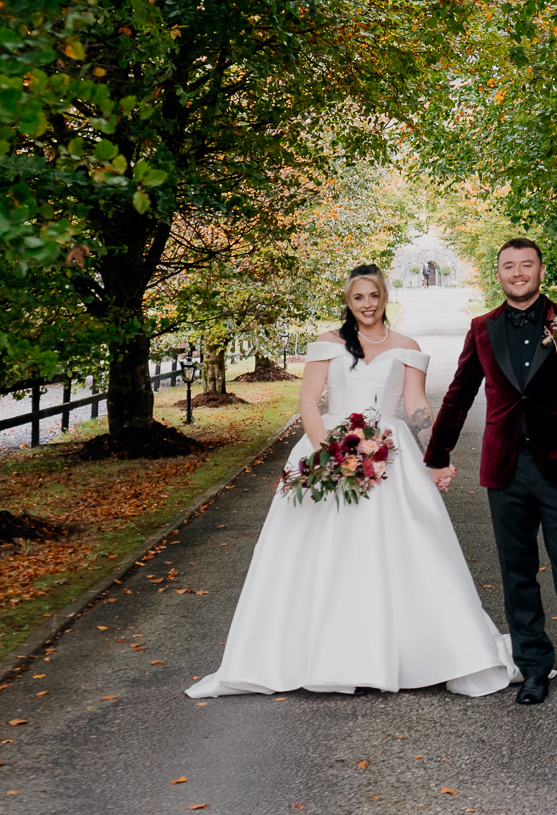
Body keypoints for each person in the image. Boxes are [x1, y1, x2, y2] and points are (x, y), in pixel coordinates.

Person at [187, 263, 516, 698]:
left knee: (405, 548)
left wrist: (436, 456)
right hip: (330, 446)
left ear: (384, 297)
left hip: (391, 454)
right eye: (358, 297)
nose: (367, 304)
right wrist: (331, 452)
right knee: (320, 550)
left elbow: (416, 405)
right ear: (348, 300)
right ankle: (325, 654)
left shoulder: (407, 347)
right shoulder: (327, 345)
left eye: (374, 296)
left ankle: (414, 651)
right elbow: (308, 401)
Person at [422, 238, 557, 711]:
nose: (519, 273)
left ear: (541, 270)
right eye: (510, 266)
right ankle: (533, 668)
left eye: (527, 265)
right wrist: (438, 453)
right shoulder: (482, 328)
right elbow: (460, 394)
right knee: (516, 572)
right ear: (499, 273)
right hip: (505, 467)